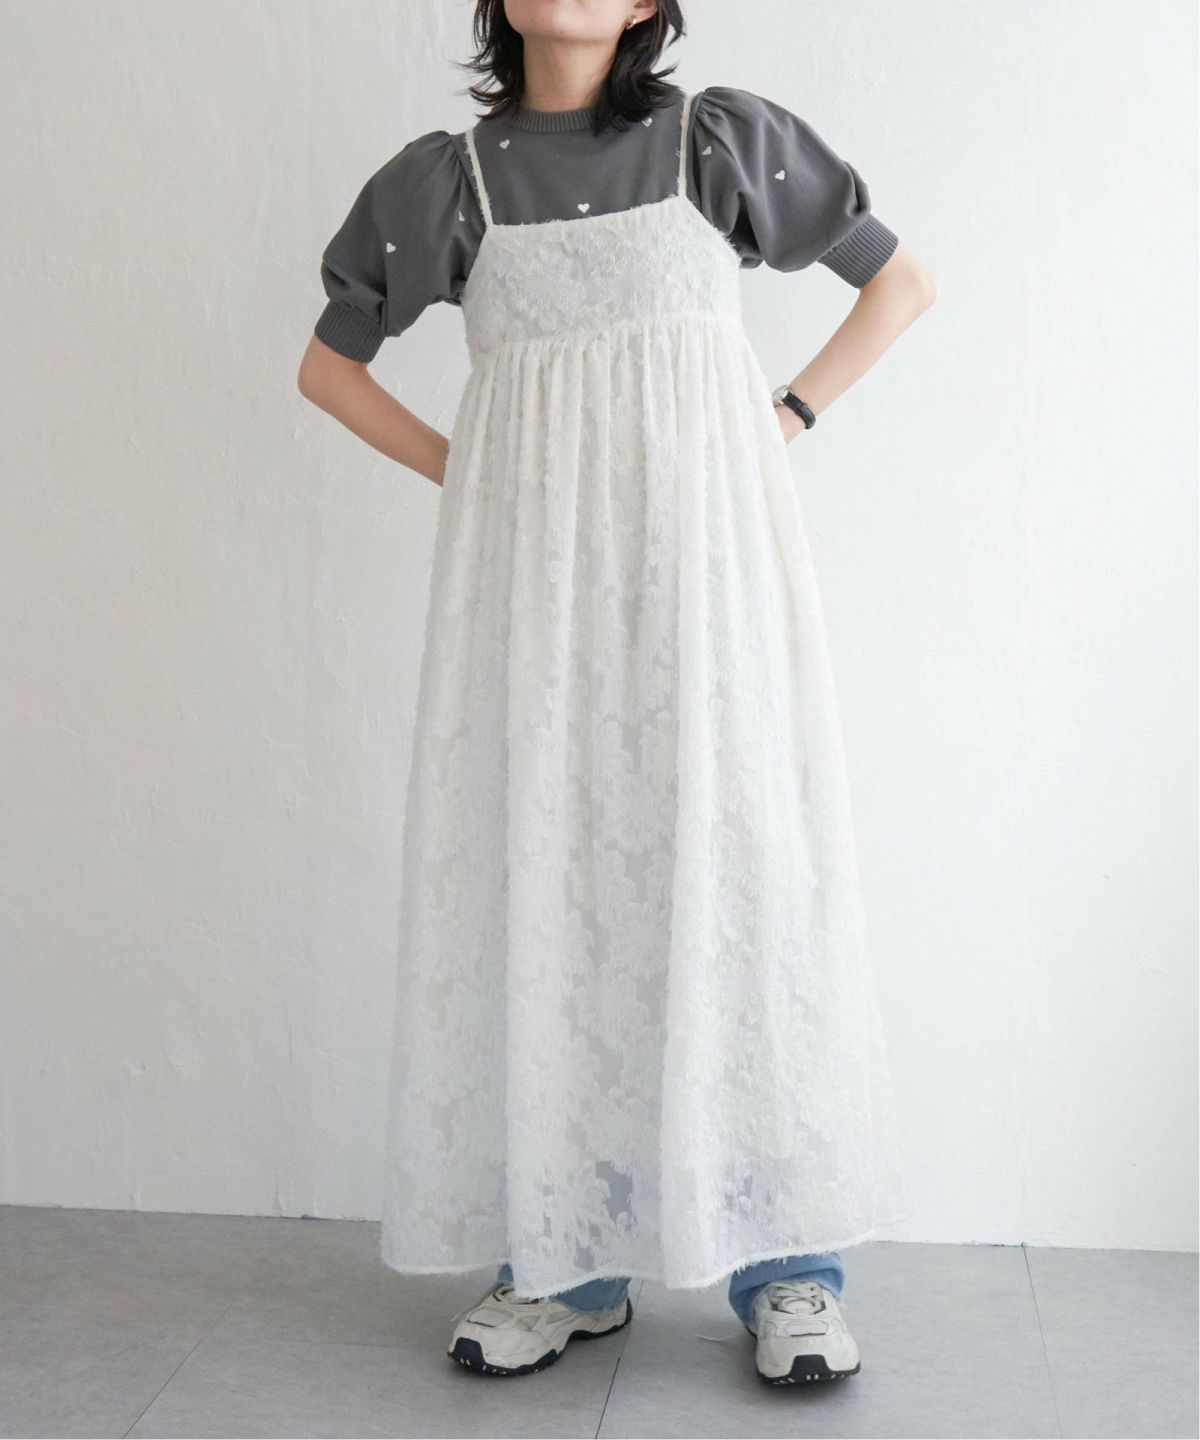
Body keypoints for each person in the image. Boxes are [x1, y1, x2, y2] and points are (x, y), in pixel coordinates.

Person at [297, 0, 935, 1389]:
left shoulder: (720, 143)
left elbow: (899, 284)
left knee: (744, 879)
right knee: (559, 889)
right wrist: (475, 473)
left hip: (712, 584)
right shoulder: (444, 185)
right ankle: (566, 1259)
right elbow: (327, 368)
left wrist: (782, 420)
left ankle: (789, 1264)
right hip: (536, 607)